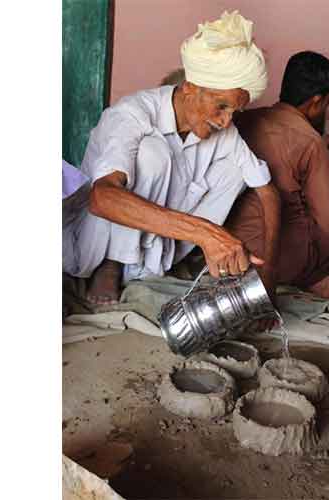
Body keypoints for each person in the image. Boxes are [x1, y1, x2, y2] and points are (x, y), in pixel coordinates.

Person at [63, 11, 281, 305]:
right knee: (154, 154)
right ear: (190, 88)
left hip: (154, 256)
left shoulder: (224, 132)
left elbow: (268, 192)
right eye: (221, 107)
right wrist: (207, 235)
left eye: (234, 112)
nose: (227, 121)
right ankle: (111, 265)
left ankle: (165, 263)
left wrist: (269, 276)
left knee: (234, 169)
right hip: (93, 245)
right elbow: (102, 198)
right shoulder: (132, 114)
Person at [225, 51, 329, 301]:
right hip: (283, 260)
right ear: (316, 101)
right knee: (327, 235)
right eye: (328, 100)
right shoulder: (310, 141)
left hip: (233, 251)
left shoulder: (244, 120)